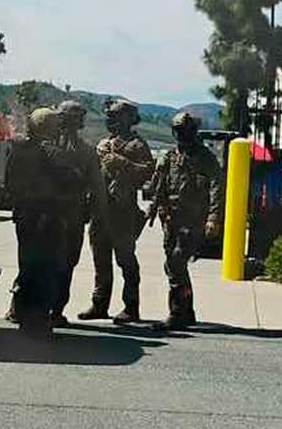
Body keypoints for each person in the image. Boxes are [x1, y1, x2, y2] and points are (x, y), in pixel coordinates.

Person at [5, 108, 80, 338]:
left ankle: (21, 312)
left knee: (27, 266)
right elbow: (74, 183)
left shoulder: (17, 152)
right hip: (49, 221)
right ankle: (38, 319)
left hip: (25, 219)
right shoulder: (56, 155)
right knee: (47, 269)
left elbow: (9, 184)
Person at [78, 99, 154, 324]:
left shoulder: (137, 145)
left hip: (122, 213)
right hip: (100, 212)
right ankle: (100, 304)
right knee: (101, 261)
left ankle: (131, 306)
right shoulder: (103, 144)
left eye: (115, 116)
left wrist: (120, 162)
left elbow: (148, 172)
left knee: (126, 260)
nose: (110, 120)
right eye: (109, 116)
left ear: (129, 119)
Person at [147, 112, 223, 330]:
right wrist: (156, 207)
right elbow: (159, 187)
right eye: (179, 131)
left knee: (176, 262)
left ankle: (178, 312)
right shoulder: (169, 157)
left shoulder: (205, 157)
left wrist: (213, 218)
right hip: (171, 219)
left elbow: (217, 188)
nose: (182, 135)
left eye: (186, 131)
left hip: (194, 219)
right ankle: (186, 310)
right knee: (173, 264)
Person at [48, 100, 107, 327]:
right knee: (50, 262)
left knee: (65, 263)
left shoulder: (85, 151)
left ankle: (55, 310)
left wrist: (99, 215)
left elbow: (97, 186)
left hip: (70, 216)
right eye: (73, 117)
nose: (76, 122)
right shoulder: (49, 147)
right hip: (53, 215)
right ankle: (40, 308)